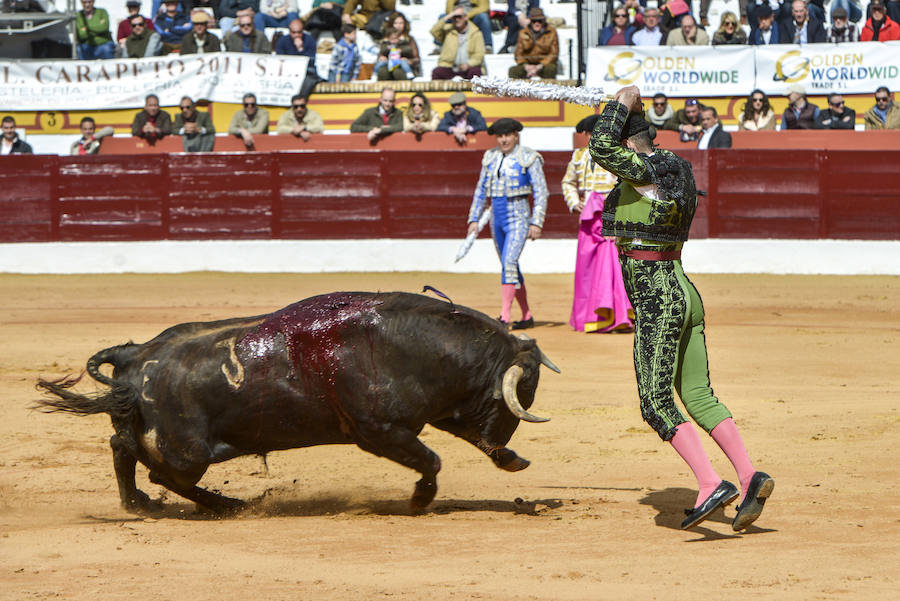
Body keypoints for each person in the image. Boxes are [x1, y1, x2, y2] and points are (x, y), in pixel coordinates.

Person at [589, 84, 774, 532]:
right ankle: (750, 475)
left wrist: (622, 99)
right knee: (698, 393)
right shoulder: (677, 169)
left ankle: (710, 481)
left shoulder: (643, 171)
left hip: (657, 292)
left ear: (630, 144)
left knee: (655, 400)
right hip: (684, 288)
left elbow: (599, 144)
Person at [467, 118, 548, 328]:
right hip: (497, 217)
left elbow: (541, 191)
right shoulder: (490, 157)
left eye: (507, 135)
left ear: (515, 135)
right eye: (500, 136)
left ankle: (504, 316)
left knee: (509, 263)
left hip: (518, 215)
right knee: (508, 265)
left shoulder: (529, 157)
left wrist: (536, 222)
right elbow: (480, 190)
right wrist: (474, 218)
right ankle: (527, 315)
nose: (504, 140)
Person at [563, 114, 632, 334]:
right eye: (592, 134)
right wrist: (576, 204)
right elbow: (568, 183)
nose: (596, 137)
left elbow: (624, 189)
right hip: (589, 216)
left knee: (613, 266)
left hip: (610, 213)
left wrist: (616, 219)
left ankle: (619, 317)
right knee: (588, 267)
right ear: (586, 135)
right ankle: (591, 316)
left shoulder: (617, 155)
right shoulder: (578, 157)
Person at [430, 7, 485, 80]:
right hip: (450, 67)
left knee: (475, 72)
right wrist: (448, 16)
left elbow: (479, 55)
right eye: (454, 17)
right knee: (437, 72)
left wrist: (468, 65)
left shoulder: (476, 33)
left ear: (465, 17)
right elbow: (434, 31)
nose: (457, 19)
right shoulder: (448, 31)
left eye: (459, 16)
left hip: (468, 68)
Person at [274, 18, 323, 98]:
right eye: (294, 32)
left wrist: (300, 49)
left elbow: (311, 61)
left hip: (306, 71)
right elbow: (279, 59)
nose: (297, 35)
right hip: (287, 71)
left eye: (299, 32)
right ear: (290, 32)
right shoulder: (282, 41)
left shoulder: (309, 40)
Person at [509, 7, 559, 79]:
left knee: (551, 69)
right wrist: (526, 66)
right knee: (513, 71)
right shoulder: (523, 33)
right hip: (528, 64)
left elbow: (554, 54)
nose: (536, 23)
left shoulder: (551, 32)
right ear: (530, 21)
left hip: (545, 64)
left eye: (539, 21)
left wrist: (539, 66)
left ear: (543, 21)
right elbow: (518, 54)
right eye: (534, 21)